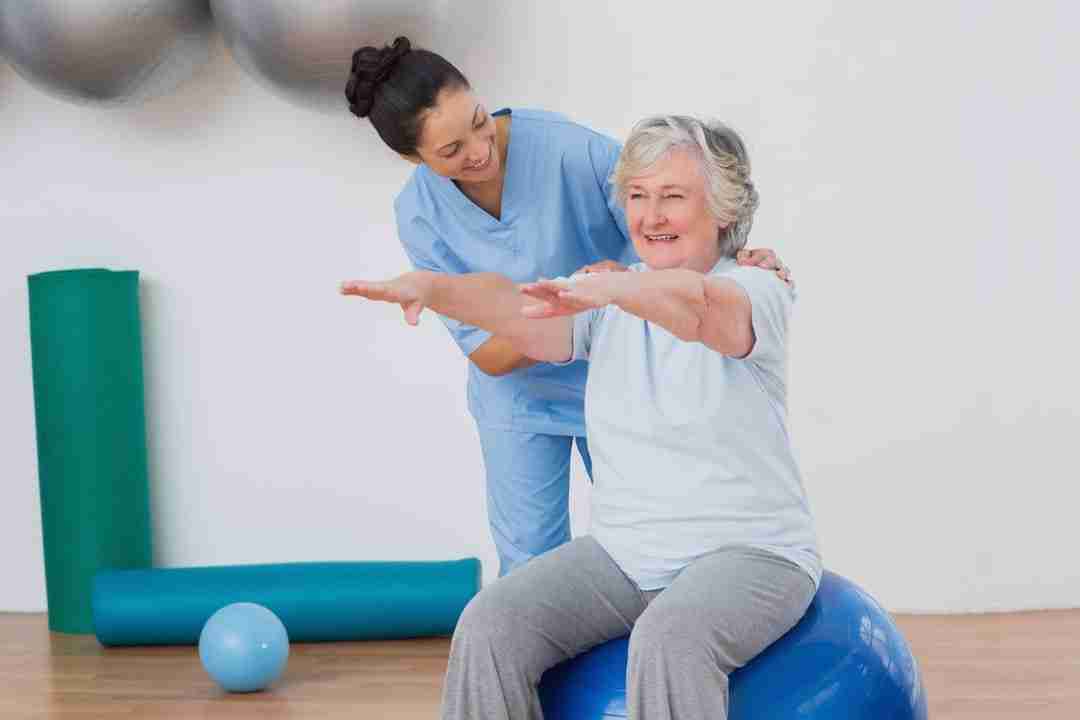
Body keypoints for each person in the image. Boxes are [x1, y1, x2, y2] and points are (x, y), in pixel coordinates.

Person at [342, 115, 820, 720]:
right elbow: (517, 314)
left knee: (671, 639)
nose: (649, 217)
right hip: (626, 556)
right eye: (639, 197)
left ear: (723, 209)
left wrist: (618, 289)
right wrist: (436, 289)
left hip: (752, 554)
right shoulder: (609, 293)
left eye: (672, 197)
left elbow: (699, 310)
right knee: (491, 623)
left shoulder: (756, 287)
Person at [345, 37, 793, 576]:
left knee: (665, 548)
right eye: (451, 151)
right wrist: (569, 309)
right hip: (520, 401)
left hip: (628, 381)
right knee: (530, 565)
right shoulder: (419, 213)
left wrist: (738, 257)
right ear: (410, 157)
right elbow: (487, 353)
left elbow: (673, 230)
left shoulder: (569, 151)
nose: (479, 149)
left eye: (479, 120)